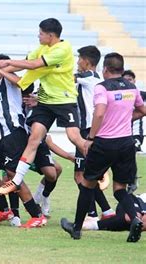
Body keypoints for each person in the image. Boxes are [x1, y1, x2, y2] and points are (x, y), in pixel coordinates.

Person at [60, 52, 146, 242]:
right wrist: (125, 119)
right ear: (122, 70)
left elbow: (99, 113)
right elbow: (143, 110)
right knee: (119, 188)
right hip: (126, 143)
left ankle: (76, 229)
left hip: (105, 142)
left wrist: (90, 138)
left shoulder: (102, 87)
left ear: (105, 69)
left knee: (87, 184)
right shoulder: (132, 88)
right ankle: (135, 220)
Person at [0, 18, 85, 194]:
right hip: (45, 102)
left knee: (74, 137)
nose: (38, 35)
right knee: (34, 137)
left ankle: (99, 166)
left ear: (50, 35)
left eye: (41, 33)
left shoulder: (62, 49)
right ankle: (16, 180)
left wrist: (8, 64)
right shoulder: (43, 47)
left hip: (64, 101)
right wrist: (8, 64)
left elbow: (34, 64)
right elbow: (27, 60)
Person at [0, 54, 47, 228]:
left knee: (13, 175)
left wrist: (1, 69)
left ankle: (36, 214)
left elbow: (22, 82)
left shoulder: (10, 81)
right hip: (6, 137)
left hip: (16, 132)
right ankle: (4, 210)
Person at [73, 45, 115, 220]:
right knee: (84, 174)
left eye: (79, 58)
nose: (77, 62)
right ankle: (105, 211)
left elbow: (66, 78)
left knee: (82, 175)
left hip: (87, 130)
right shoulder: (96, 79)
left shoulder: (88, 76)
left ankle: (93, 213)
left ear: (86, 61)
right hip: (92, 129)